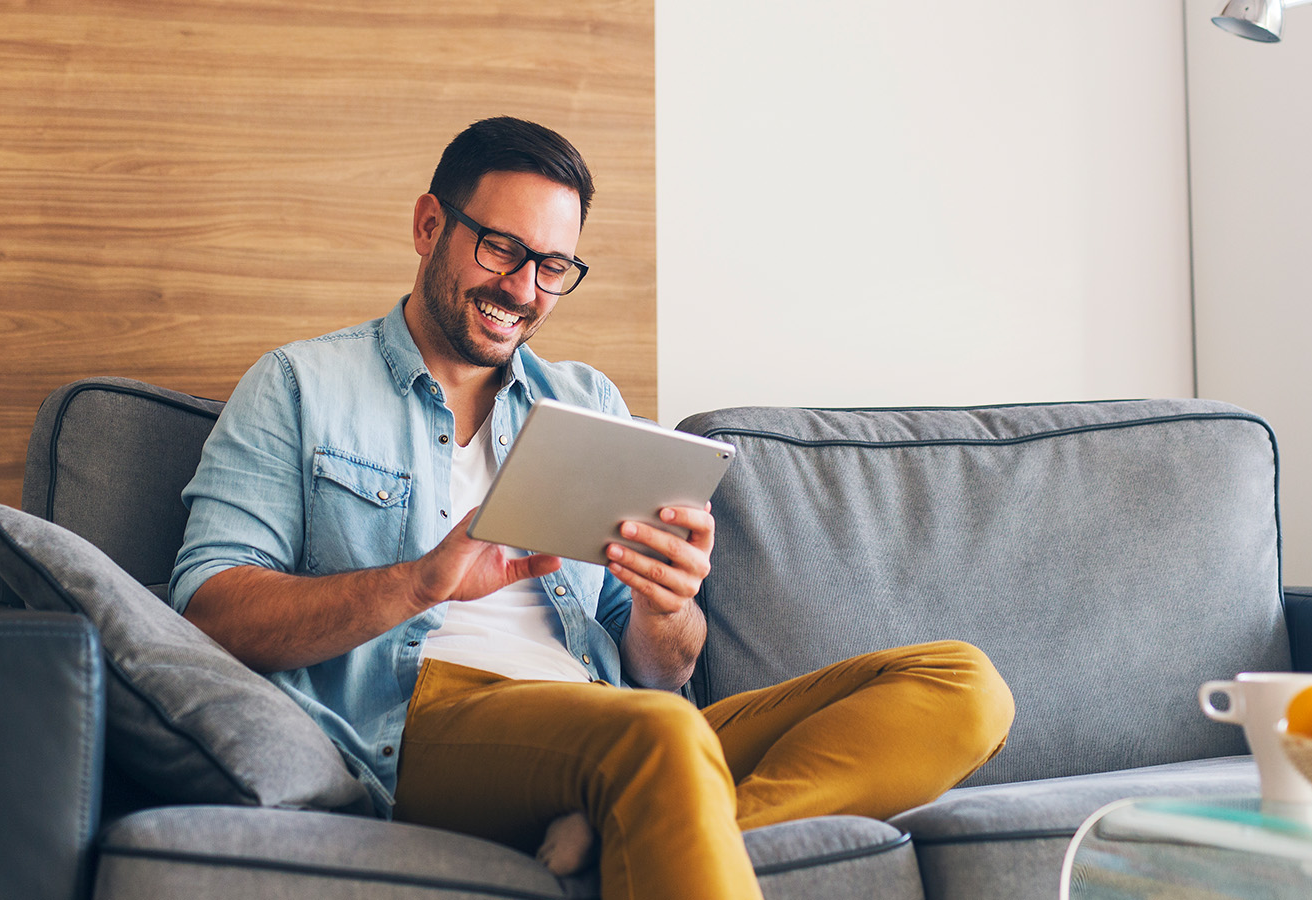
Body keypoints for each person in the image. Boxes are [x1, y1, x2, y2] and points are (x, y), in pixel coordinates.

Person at [170, 116, 1014, 900]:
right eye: (501, 249)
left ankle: (629, 830)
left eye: (553, 267)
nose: (524, 289)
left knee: (962, 685)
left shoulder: (585, 402)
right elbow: (208, 613)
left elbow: (662, 671)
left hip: (614, 718)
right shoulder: (300, 386)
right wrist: (421, 583)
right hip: (425, 723)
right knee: (658, 738)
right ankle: (644, 808)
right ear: (430, 225)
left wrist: (666, 603)